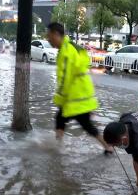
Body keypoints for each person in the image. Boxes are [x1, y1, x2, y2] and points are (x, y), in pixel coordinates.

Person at [47, 22, 113, 155]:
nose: (48, 39)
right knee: (62, 119)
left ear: (56, 34)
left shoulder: (67, 51)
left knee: (86, 125)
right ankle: (58, 146)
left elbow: (65, 78)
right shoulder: (69, 47)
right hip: (78, 96)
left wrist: (59, 97)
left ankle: (108, 147)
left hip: (75, 98)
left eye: (49, 36)